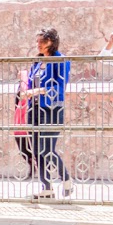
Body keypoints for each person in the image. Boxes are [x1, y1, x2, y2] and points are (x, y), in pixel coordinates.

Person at [26, 26, 72, 199]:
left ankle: (66, 179)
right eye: (37, 41)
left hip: (51, 108)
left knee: (47, 149)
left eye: (42, 41)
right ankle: (47, 188)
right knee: (37, 150)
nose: (38, 44)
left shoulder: (60, 60)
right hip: (34, 108)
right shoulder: (38, 62)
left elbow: (59, 87)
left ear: (51, 42)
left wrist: (38, 91)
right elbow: (31, 83)